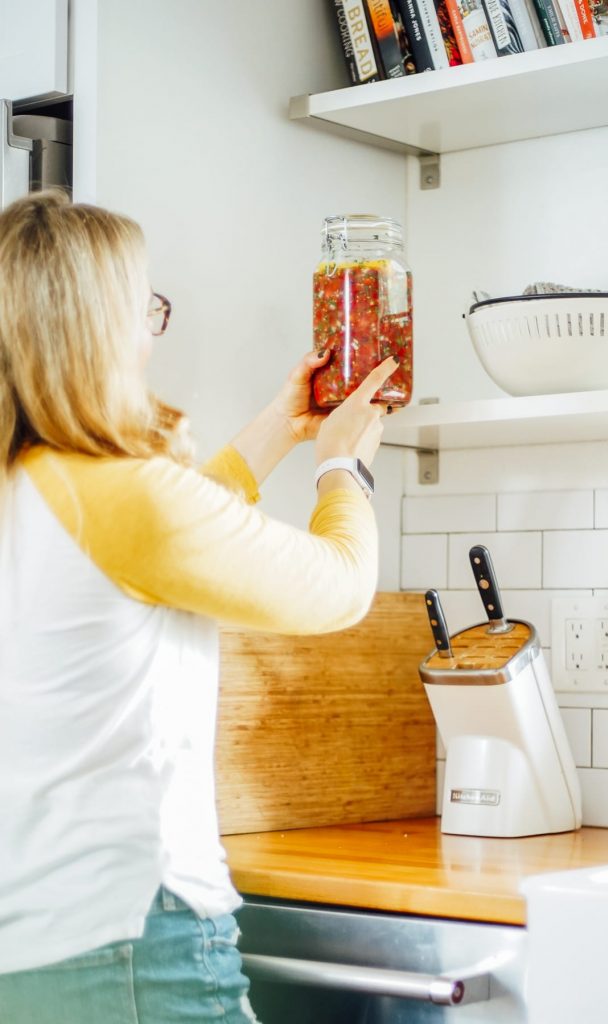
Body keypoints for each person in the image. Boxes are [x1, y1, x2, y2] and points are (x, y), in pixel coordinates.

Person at [0, 189, 397, 1023]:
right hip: (138, 951)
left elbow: (144, 551)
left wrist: (279, 430)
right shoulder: (124, 500)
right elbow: (339, 587)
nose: (150, 333)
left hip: (30, 954)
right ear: (97, 326)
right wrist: (342, 468)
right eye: (144, 308)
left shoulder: (31, 492)